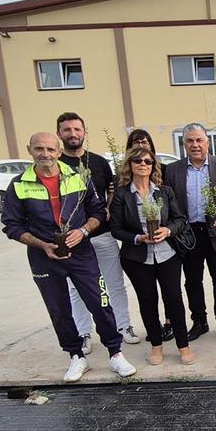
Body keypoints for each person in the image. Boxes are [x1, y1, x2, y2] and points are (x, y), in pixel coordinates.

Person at [1, 132, 133, 382]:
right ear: (29, 150)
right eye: (39, 149)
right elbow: (12, 225)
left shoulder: (79, 179)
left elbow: (98, 211)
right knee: (59, 309)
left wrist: (83, 231)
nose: (45, 154)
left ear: (59, 151)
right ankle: (76, 356)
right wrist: (42, 244)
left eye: (50, 149)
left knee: (100, 301)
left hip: (82, 253)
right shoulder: (19, 184)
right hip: (44, 256)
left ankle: (115, 353)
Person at [55, 112, 140, 353]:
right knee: (76, 287)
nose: (72, 134)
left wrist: (108, 211)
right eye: (67, 130)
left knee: (114, 283)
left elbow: (110, 192)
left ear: (84, 132)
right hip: (72, 239)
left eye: (77, 129)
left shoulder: (99, 162)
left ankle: (123, 327)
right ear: (59, 134)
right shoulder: (56, 164)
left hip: (102, 234)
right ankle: (84, 333)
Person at [109, 142, 195, 366]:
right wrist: (138, 238)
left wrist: (168, 230)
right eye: (138, 161)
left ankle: (183, 346)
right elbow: (115, 228)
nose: (143, 164)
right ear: (130, 164)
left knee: (174, 299)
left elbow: (180, 219)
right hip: (137, 258)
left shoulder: (164, 191)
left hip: (167, 255)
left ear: (153, 165)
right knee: (147, 301)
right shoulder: (122, 195)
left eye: (148, 161)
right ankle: (156, 347)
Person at [162, 123, 216, 341]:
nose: (195, 145)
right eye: (189, 141)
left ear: (207, 142)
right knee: (192, 281)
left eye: (199, 140)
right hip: (187, 235)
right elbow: (167, 203)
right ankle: (199, 321)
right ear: (184, 144)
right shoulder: (174, 170)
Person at [126, 128, 173, 343]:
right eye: (136, 143)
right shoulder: (123, 187)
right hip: (138, 252)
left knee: (171, 294)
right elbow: (117, 223)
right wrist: (137, 237)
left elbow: (175, 212)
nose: (141, 147)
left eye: (145, 142)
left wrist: (169, 229)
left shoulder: (162, 175)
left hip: (166, 249)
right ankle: (154, 334)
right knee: (147, 296)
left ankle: (170, 323)